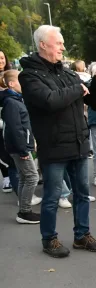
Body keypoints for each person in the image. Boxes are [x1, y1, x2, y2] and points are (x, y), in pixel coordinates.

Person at [19, 25, 96, 258]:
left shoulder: (67, 72)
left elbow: (94, 101)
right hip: (54, 144)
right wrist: (78, 89)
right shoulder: (29, 75)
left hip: (78, 141)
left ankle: (82, 235)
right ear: (42, 44)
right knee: (52, 197)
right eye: (58, 43)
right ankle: (49, 239)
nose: (62, 47)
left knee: (81, 194)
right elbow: (49, 100)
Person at [0, 70, 40, 224]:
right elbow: (15, 128)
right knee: (32, 177)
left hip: (21, 145)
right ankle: (25, 211)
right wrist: (23, 148)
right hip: (19, 147)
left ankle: (24, 210)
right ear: (11, 84)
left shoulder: (15, 99)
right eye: (20, 81)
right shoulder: (11, 102)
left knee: (25, 176)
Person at [0, 48, 16, 194]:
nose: (1, 61)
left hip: (12, 118)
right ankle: (6, 177)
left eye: (2, 58)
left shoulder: (11, 75)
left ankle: (17, 179)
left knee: (13, 148)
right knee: (2, 151)